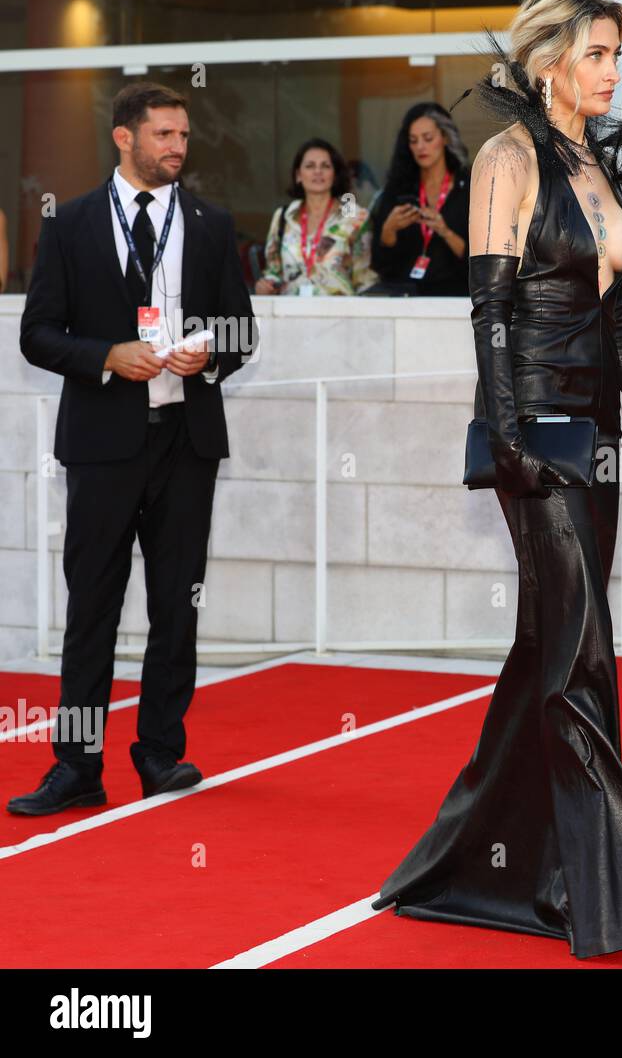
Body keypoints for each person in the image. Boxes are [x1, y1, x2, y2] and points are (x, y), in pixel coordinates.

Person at [371, 0, 622, 959]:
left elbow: (617, 318)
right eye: (597, 53)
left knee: (550, 648)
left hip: (593, 433)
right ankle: (609, 882)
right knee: (580, 652)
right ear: (551, 58)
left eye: (614, 55)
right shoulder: (508, 159)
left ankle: (485, 862)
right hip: (537, 431)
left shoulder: (596, 166)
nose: (611, 70)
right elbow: (491, 309)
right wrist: (506, 431)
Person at [9, 82, 258, 816]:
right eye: (163, 135)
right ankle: (75, 768)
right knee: (93, 607)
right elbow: (37, 333)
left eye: (184, 136)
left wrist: (207, 353)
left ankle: (160, 754)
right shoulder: (71, 224)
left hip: (187, 441)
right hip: (101, 445)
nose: (177, 148)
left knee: (176, 606)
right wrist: (108, 355)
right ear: (124, 138)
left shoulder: (212, 224)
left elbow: (243, 332)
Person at [367, 103, 470, 296]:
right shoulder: (397, 190)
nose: (420, 147)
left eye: (428, 138)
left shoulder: (470, 188)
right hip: (406, 299)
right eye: (413, 141)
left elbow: (481, 261)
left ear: (445, 138)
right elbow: (380, 265)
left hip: (456, 298)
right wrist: (389, 230)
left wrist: (444, 231)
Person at [254, 138, 377, 296]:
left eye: (325, 166)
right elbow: (273, 271)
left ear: (335, 174)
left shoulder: (355, 216)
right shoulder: (283, 216)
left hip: (341, 315)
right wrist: (266, 285)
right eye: (310, 166)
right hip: (289, 315)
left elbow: (365, 281)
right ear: (298, 175)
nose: (317, 172)